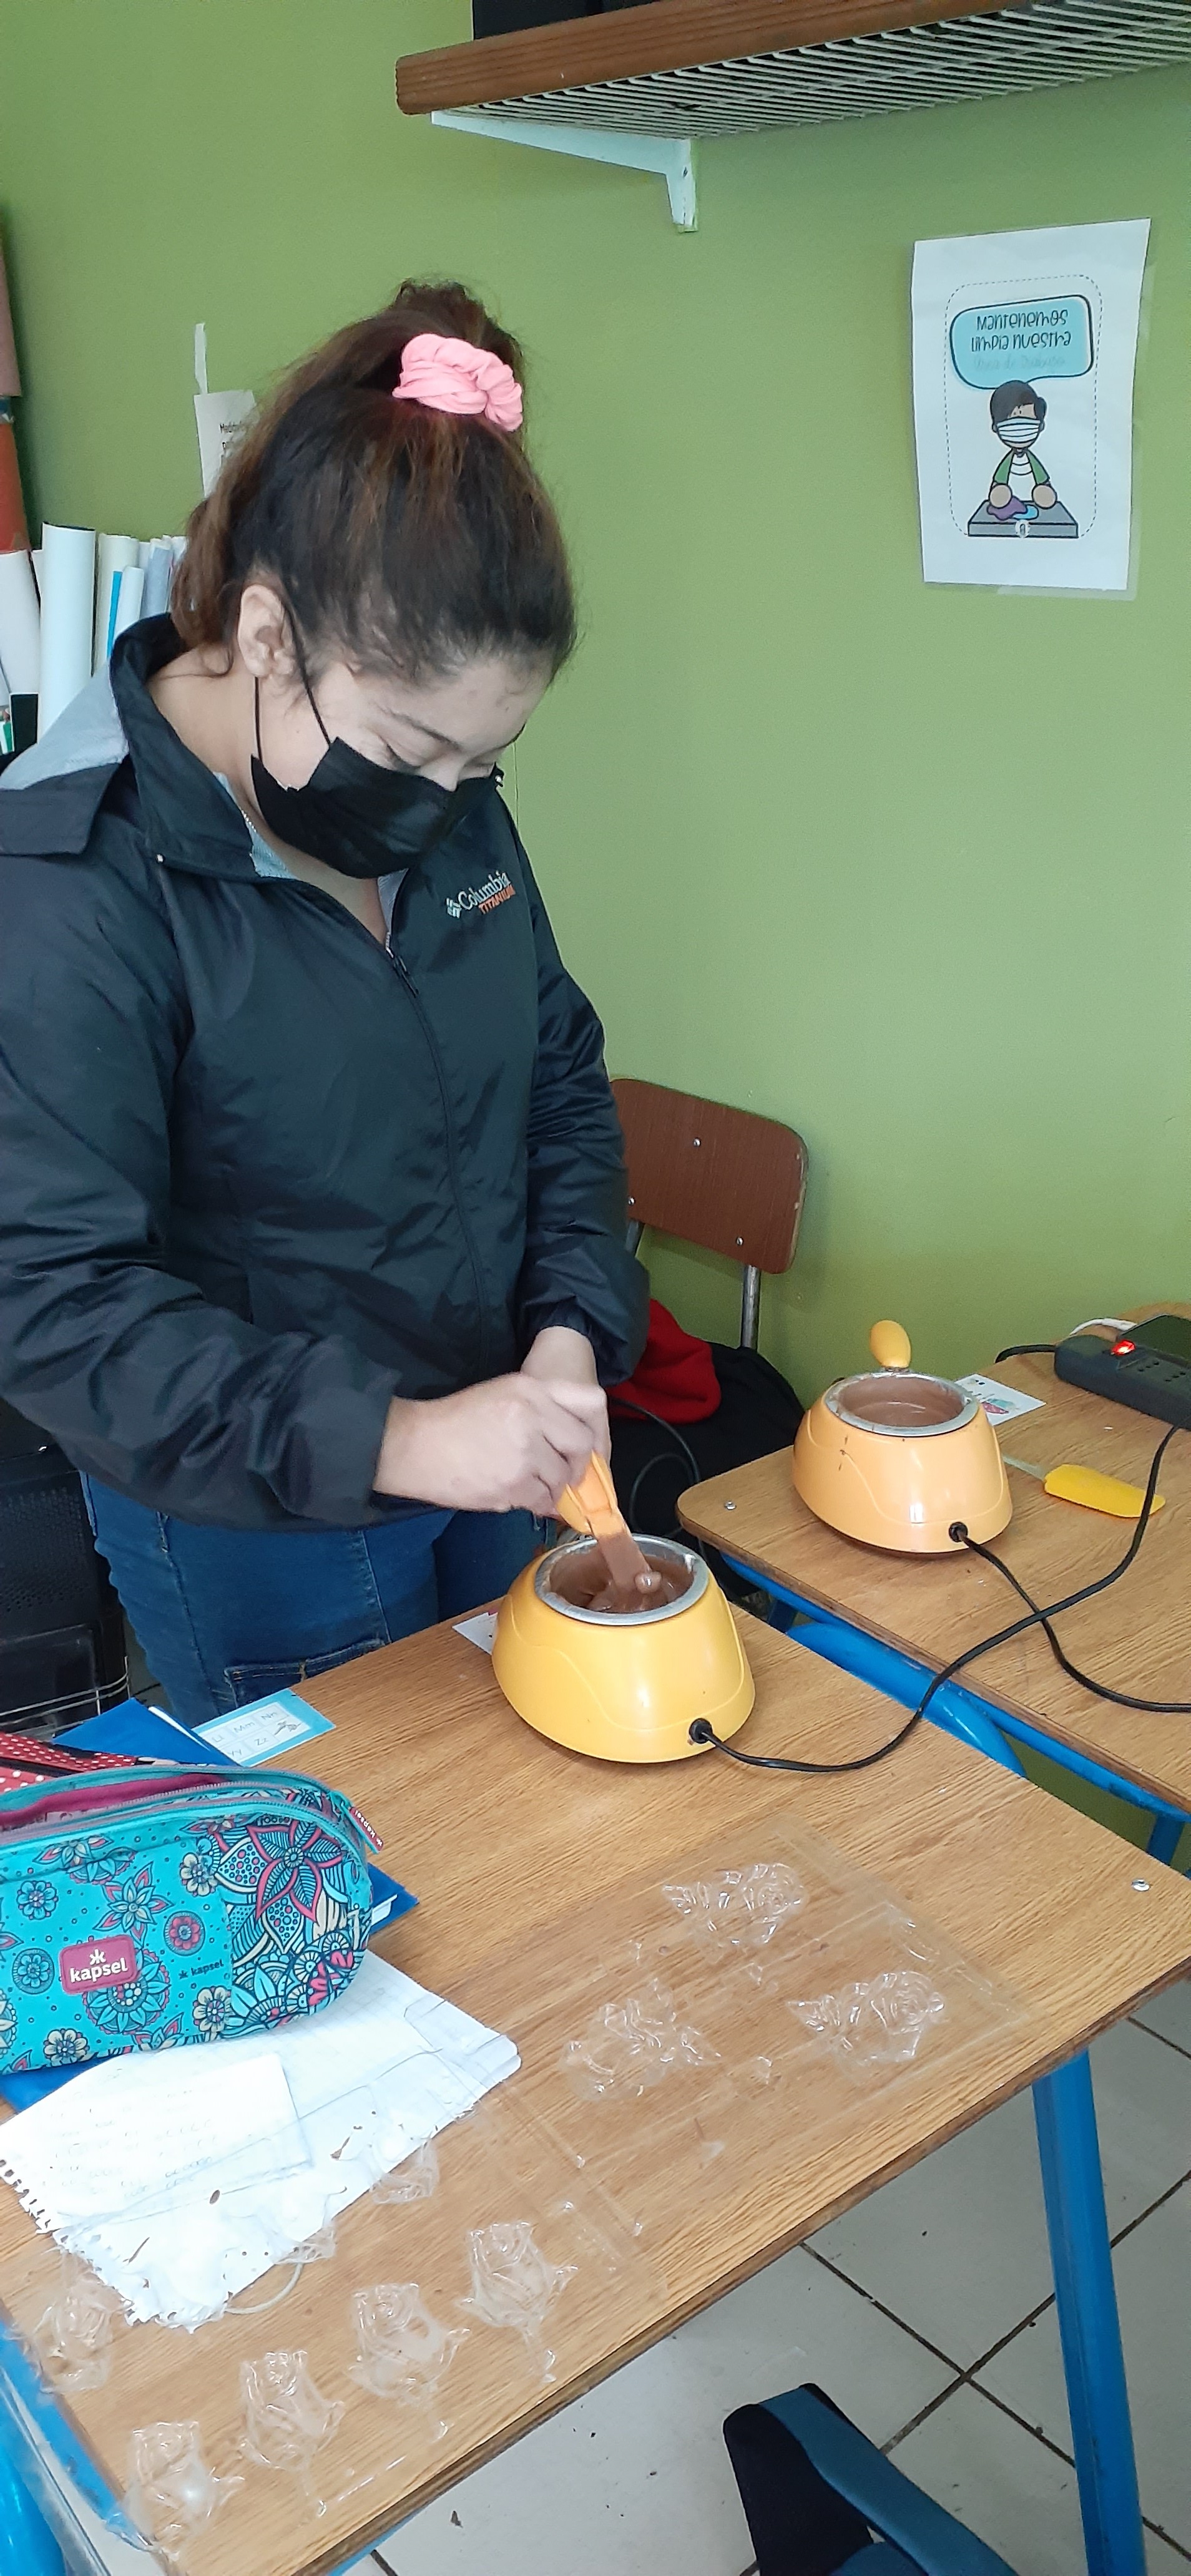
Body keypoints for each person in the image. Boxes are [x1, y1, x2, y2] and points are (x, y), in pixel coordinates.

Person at [0, 280, 647, 1726]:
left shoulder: (436, 803)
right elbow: (56, 1303)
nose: (447, 803)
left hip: (495, 1437)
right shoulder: (67, 879)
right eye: (412, 751)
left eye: (483, 764)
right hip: (262, 1516)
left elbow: (551, 1072)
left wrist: (568, 1329)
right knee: (352, 1829)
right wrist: (401, 1440)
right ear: (268, 634)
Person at [986, 379, 1059, 523]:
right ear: (996, 428)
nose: (1020, 426)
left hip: (1035, 501)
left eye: (1027, 419)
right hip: (1008, 498)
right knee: (1001, 493)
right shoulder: (1008, 460)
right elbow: (1002, 474)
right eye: (1013, 419)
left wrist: (1043, 485)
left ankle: (1042, 493)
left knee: (1043, 493)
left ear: (1040, 426)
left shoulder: (1031, 459)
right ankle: (1002, 495)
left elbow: (1039, 473)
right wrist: (999, 487)